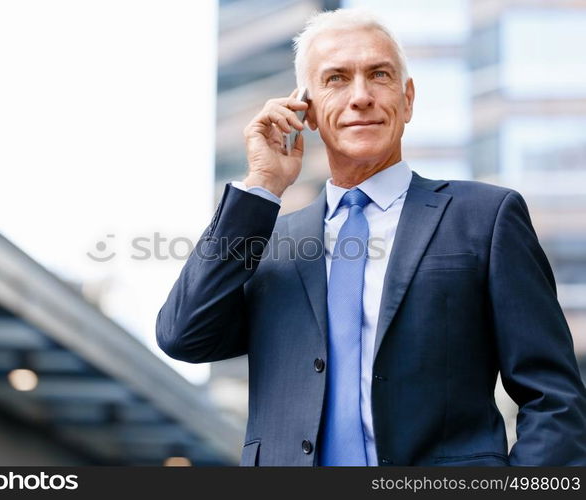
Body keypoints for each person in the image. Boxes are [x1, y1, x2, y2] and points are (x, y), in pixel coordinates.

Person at [156, 8, 586, 466]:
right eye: (336, 79)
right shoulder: (268, 241)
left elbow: (553, 398)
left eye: (378, 75)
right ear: (309, 111)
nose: (360, 96)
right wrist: (262, 185)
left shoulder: (485, 217)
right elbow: (184, 336)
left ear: (408, 99)